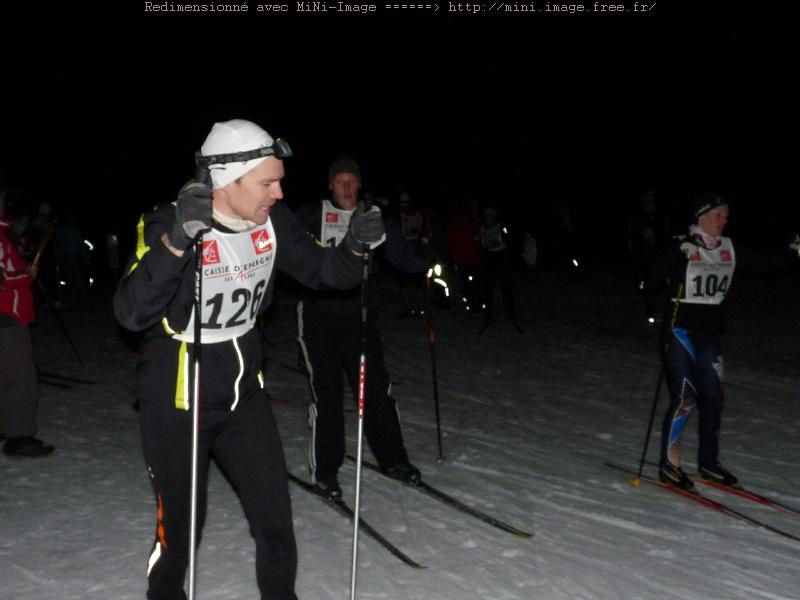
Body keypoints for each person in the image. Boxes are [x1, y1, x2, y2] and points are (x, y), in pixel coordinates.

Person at [113, 120, 385, 600]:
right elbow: (131, 312)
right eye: (267, 182)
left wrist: (357, 246)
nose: (279, 193)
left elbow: (323, 271)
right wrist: (178, 242)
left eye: (279, 180)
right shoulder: (167, 221)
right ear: (226, 181)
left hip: (242, 392)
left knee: (276, 522)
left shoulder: (272, 221)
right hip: (178, 398)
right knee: (179, 532)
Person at [294, 156, 424, 500]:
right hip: (319, 317)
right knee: (328, 396)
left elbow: (403, 258)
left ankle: (393, 460)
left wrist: (423, 260)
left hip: (361, 317)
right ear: (330, 185)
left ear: (361, 184)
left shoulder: (372, 215)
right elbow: (286, 250)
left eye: (352, 181)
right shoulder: (311, 214)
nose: (347, 188)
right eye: (340, 181)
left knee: (376, 390)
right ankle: (325, 471)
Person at [656, 193, 798, 490]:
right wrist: (672, 258)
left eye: (726, 215)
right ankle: (670, 464)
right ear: (701, 216)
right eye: (719, 214)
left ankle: (709, 462)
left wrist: (792, 250)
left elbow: (766, 265)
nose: (724, 220)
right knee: (686, 397)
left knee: (713, 398)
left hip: (709, 334)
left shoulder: (729, 248)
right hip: (679, 330)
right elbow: (653, 278)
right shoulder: (681, 245)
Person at [0, 179, 55, 458]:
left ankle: (7, 424)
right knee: (20, 376)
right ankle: (19, 435)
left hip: (8, 312)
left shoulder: (5, 235)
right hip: (7, 314)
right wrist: (26, 275)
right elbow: (5, 276)